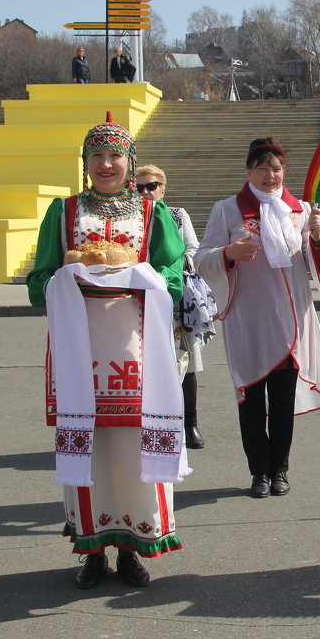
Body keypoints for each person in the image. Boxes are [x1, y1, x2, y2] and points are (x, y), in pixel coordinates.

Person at [28, 115, 187, 590]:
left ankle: (131, 550)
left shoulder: (152, 213)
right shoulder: (64, 212)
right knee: (90, 452)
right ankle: (92, 548)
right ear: (85, 162)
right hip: (80, 352)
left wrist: (144, 280)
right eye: (96, 155)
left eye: (115, 154)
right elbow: (38, 283)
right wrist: (63, 280)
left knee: (131, 451)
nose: (106, 163)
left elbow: (174, 276)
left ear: (130, 161)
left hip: (136, 350)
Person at [195, 137, 320, 499]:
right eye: (261, 167)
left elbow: (315, 261)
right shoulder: (228, 210)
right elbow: (201, 260)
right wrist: (229, 252)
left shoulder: (301, 211)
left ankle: (280, 469)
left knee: (281, 403)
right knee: (250, 400)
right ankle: (258, 472)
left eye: (276, 168)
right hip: (248, 319)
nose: (269, 175)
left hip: (291, 322)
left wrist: (319, 237)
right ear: (248, 171)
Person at [136, 164, 210, 449]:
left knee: (186, 363)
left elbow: (193, 249)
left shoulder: (177, 215)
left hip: (174, 299)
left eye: (151, 186)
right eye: (139, 186)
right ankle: (148, 424)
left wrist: (171, 268)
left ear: (163, 189)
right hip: (138, 300)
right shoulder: (129, 217)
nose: (145, 192)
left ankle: (189, 424)